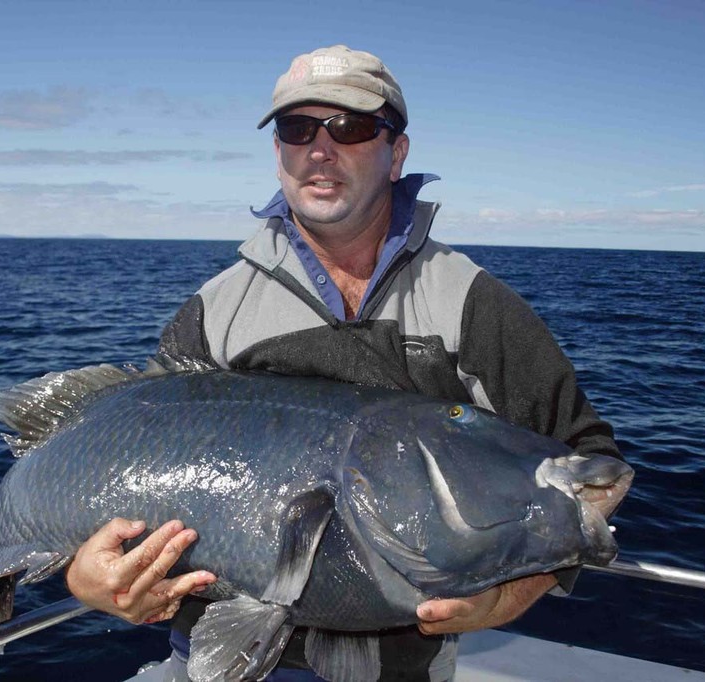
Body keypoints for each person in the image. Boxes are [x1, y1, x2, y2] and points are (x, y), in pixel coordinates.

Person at [66, 45, 622, 681]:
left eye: (351, 127)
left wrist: (512, 594)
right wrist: (89, 578)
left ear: (397, 153)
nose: (319, 150)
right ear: (279, 151)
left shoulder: (469, 302)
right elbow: (116, 461)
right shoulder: (214, 311)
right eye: (297, 129)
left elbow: (592, 471)